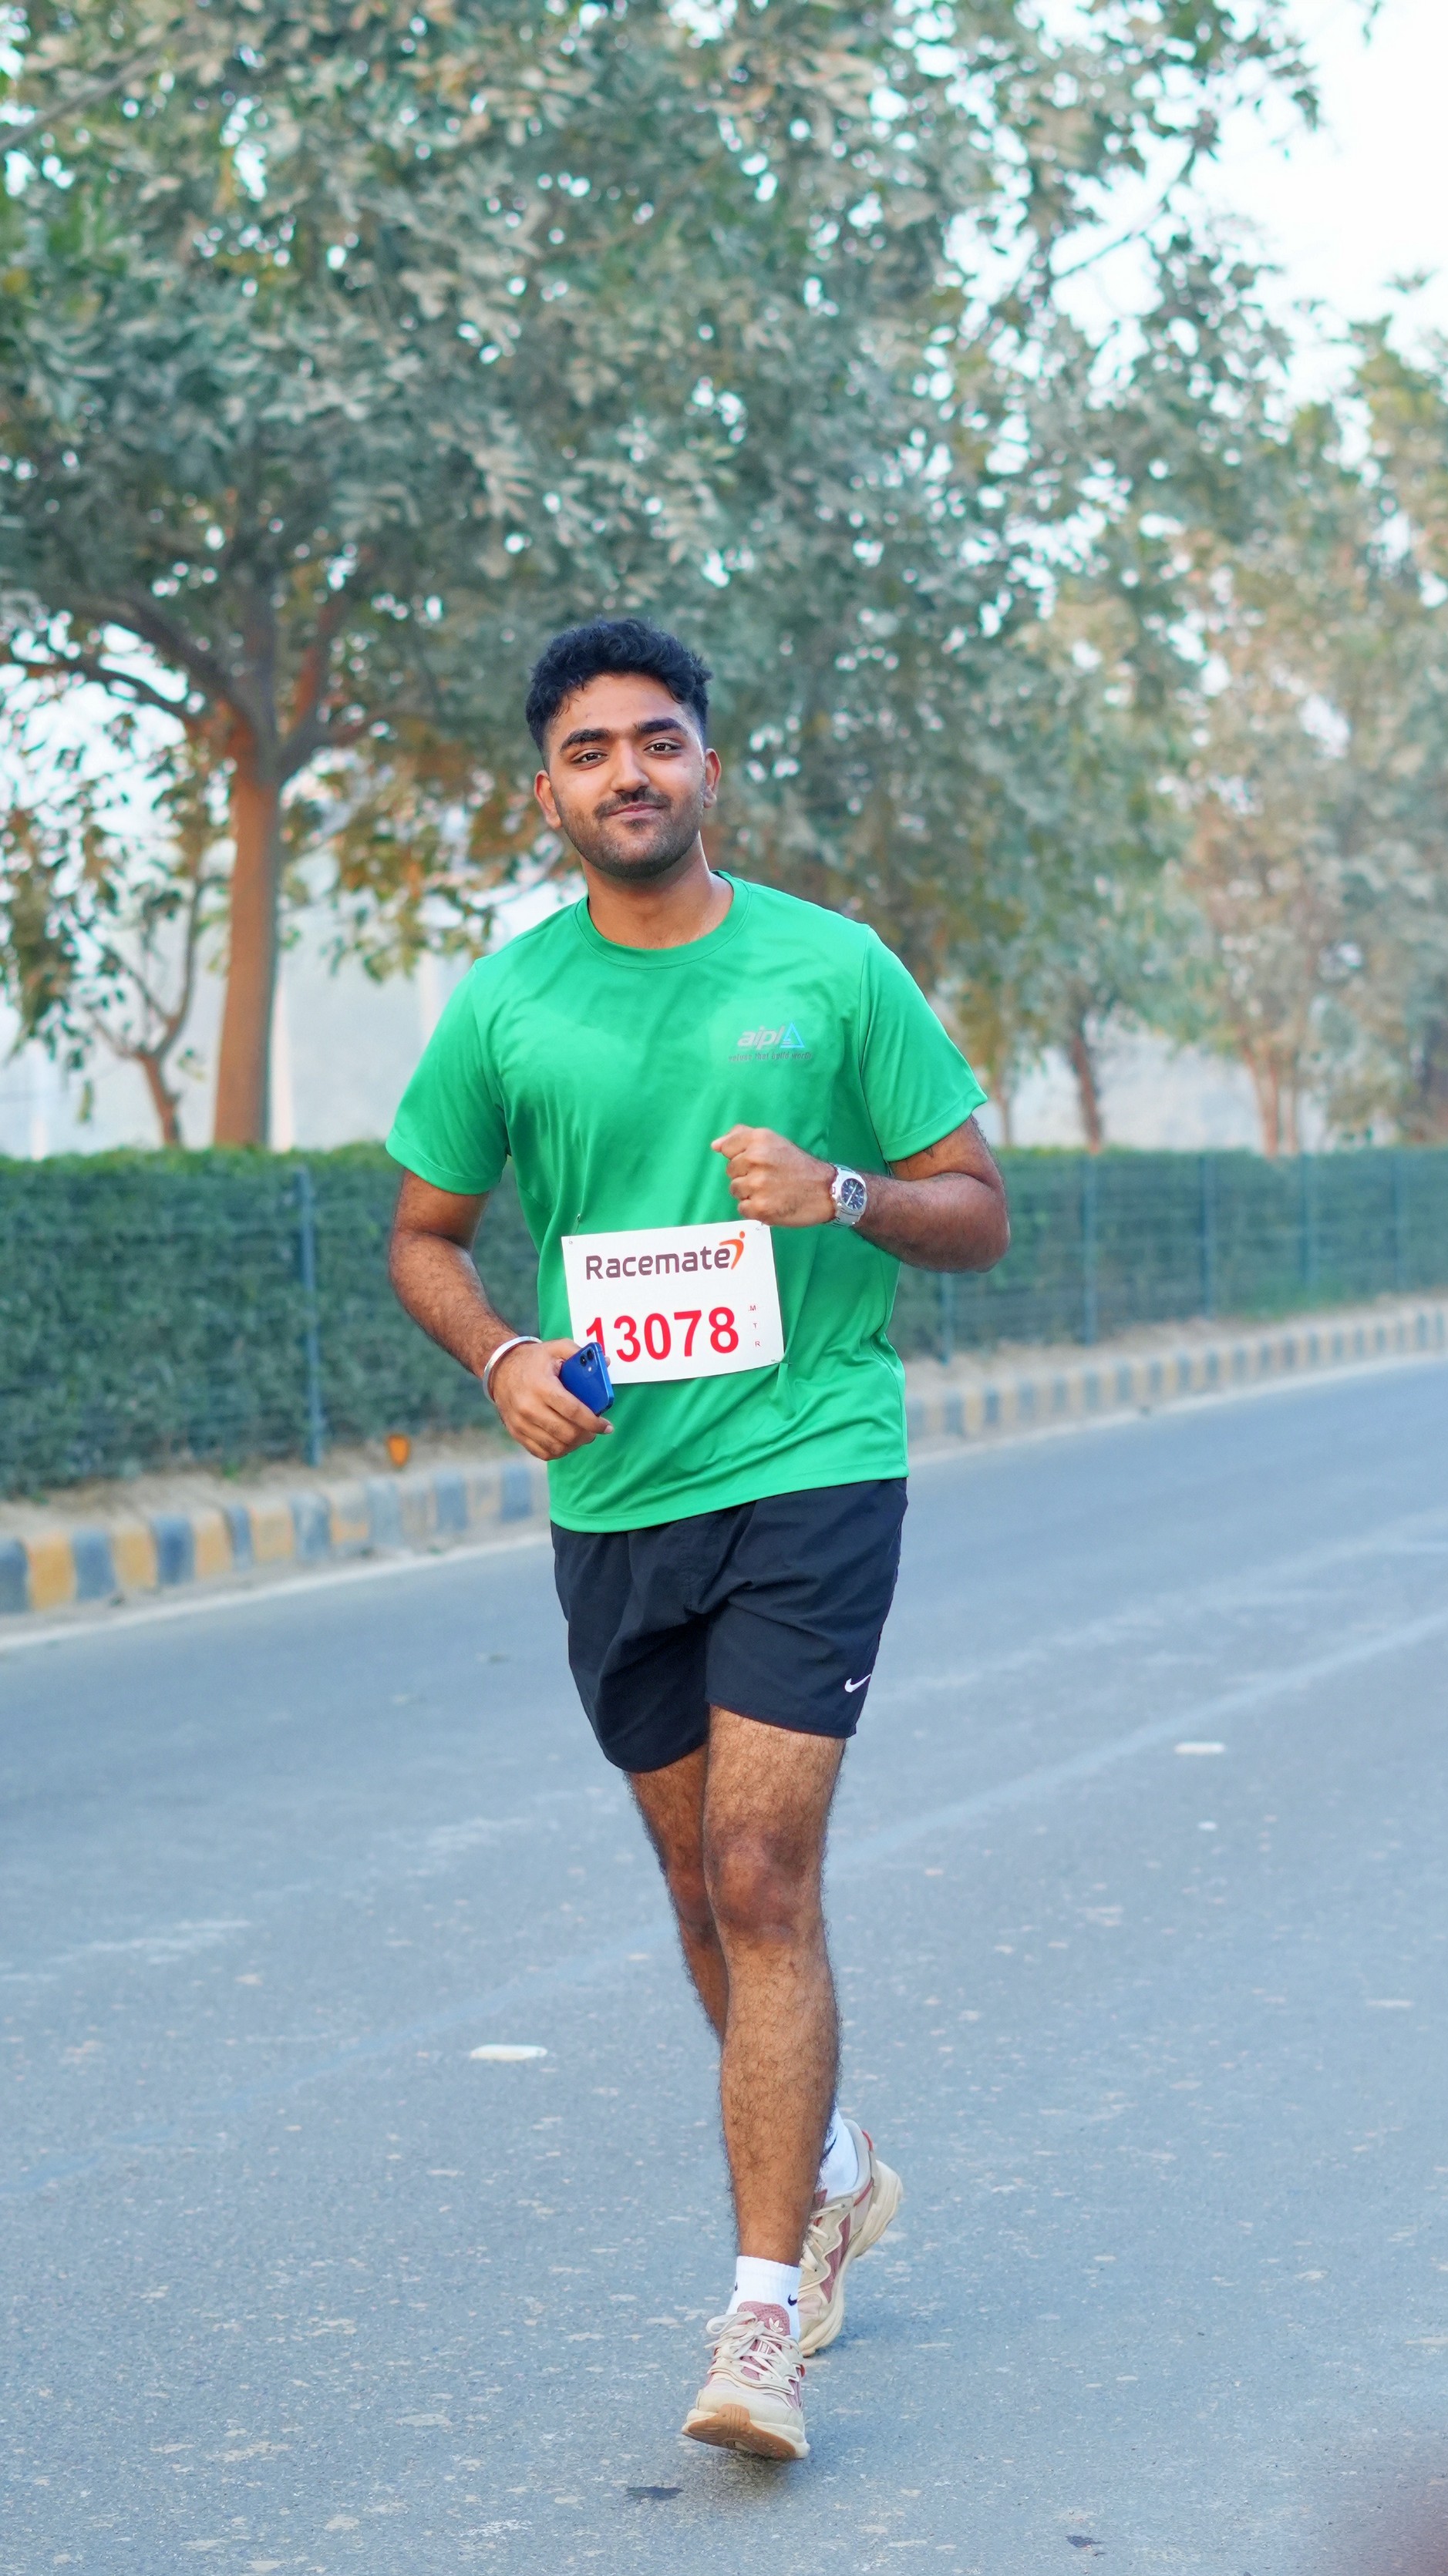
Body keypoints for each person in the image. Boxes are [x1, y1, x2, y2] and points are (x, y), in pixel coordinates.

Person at [386, 614, 1009, 2462]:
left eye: (657, 740)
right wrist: (501, 1355)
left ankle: (760, 2324)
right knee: (691, 1889)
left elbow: (979, 1210)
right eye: (590, 752)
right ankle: (832, 2173)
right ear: (550, 792)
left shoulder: (833, 966)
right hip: (616, 1493)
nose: (628, 774)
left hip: (813, 1461)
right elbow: (425, 1231)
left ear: (708, 766)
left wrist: (844, 1191)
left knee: (760, 1877)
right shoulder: (510, 1004)